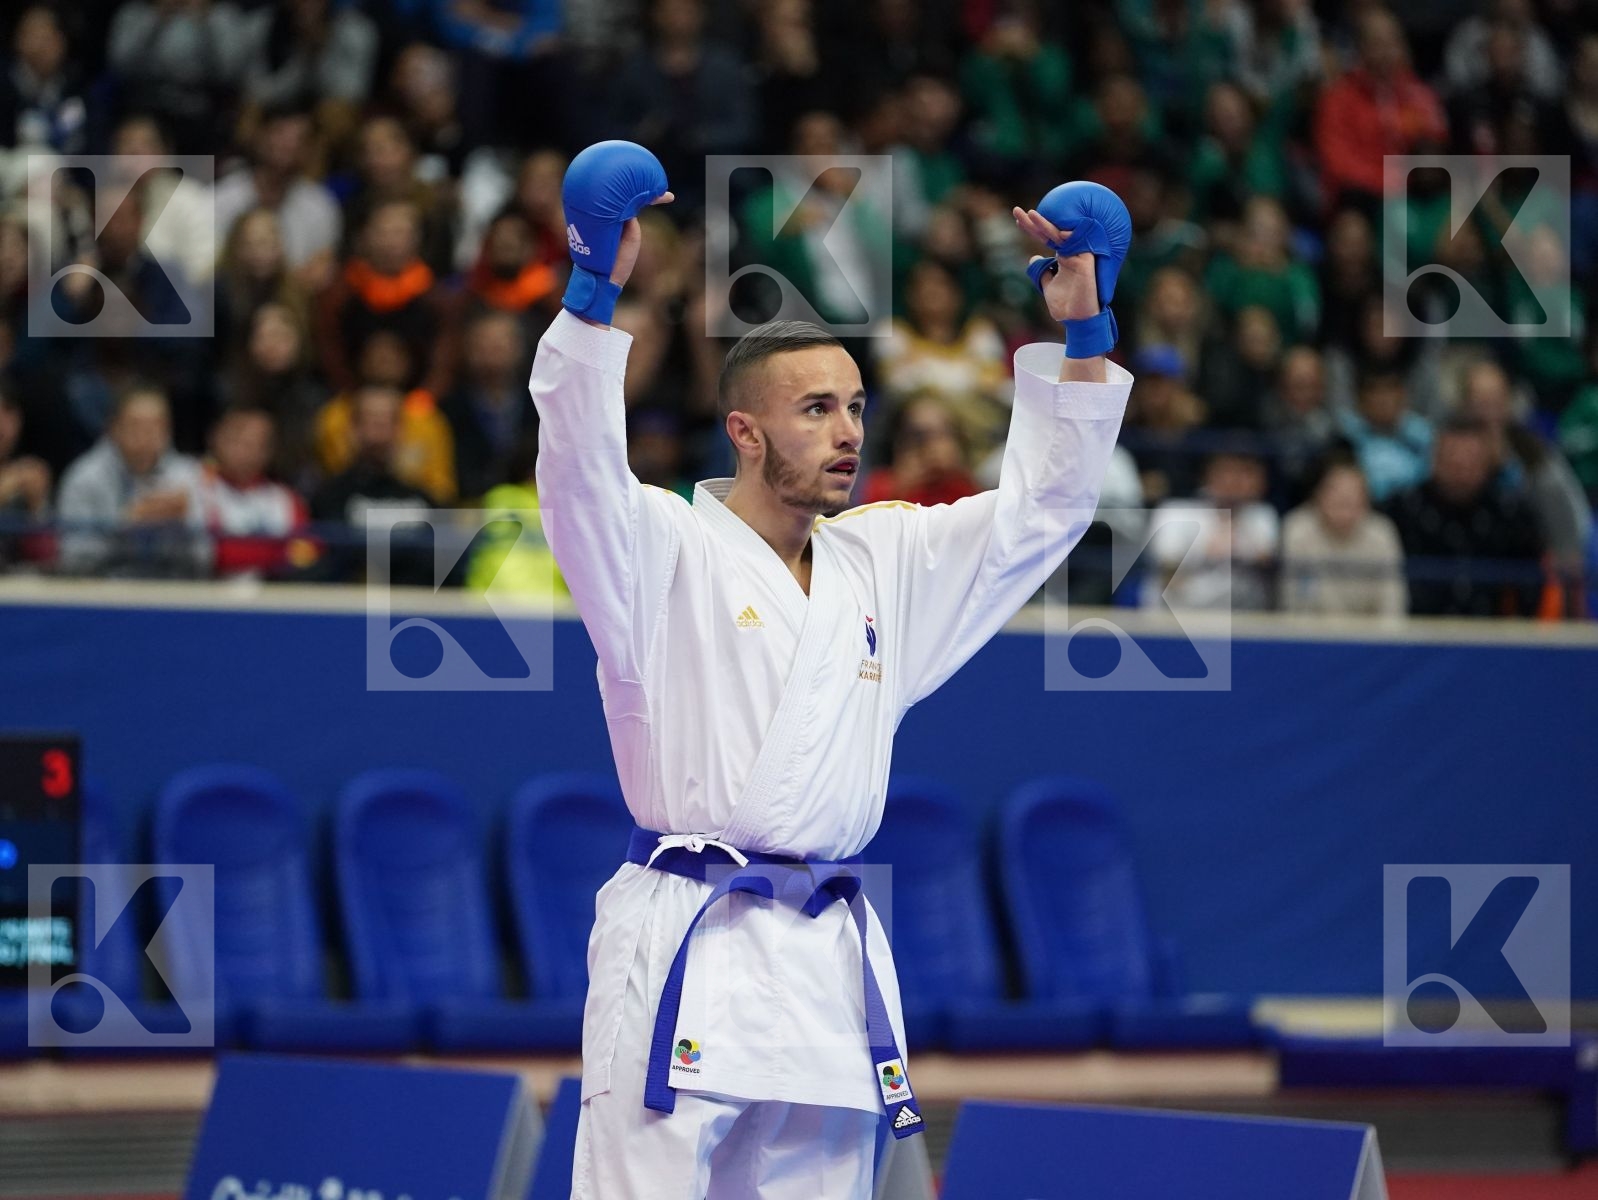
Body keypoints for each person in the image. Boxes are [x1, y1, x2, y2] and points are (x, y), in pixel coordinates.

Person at [532, 142, 1132, 1199]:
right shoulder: (658, 550)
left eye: (856, 407)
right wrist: (589, 296)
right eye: (817, 411)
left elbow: (1042, 516)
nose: (849, 432)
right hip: (685, 933)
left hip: (820, 953)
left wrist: (1084, 334)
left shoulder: (883, 562)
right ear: (745, 432)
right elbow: (578, 475)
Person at [1385, 418, 1543, 616]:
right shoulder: (1401, 510)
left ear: (1487, 463)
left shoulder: (1511, 514)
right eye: (1452, 461)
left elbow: (1530, 583)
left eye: (1470, 463)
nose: (1460, 472)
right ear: (1434, 460)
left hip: (1494, 635)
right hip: (1416, 632)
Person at [56, 384, 209, 578]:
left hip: (171, 592)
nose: (147, 434)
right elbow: (74, 561)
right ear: (114, 427)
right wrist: (126, 526)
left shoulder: (189, 475)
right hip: (102, 595)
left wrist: (184, 526)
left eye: (157, 425)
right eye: (136, 425)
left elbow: (206, 558)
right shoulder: (84, 477)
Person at [1280, 457, 1407, 618]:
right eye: (1336, 493)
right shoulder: (1298, 529)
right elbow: (1295, 603)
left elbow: (1392, 603)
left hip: (1370, 636)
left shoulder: (1381, 533)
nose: (1344, 501)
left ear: (1366, 500)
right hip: (1313, 636)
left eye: (1353, 496)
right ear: (1318, 495)